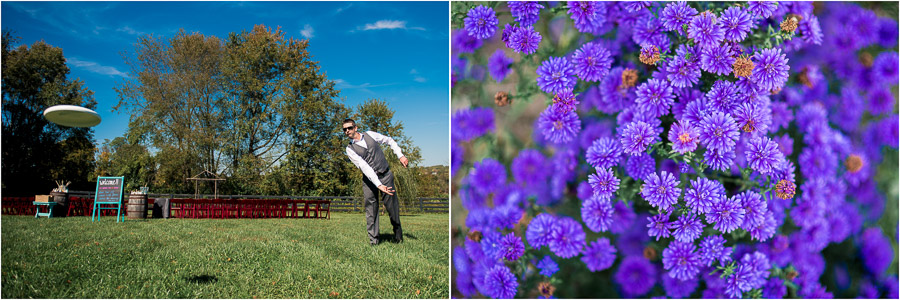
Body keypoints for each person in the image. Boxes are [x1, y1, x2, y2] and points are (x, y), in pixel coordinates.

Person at [342, 118, 409, 245]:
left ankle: (398, 237)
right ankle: (374, 241)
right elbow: (364, 167)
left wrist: (400, 155)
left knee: (392, 207)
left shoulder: (370, 135)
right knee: (371, 209)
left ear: (355, 128)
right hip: (369, 180)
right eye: (344, 129)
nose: (347, 131)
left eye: (349, 128)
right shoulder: (350, 149)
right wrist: (378, 185)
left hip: (386, 175)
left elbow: (389, 140)